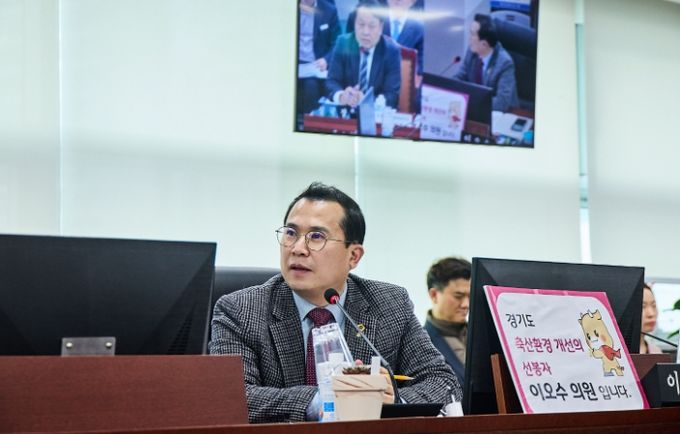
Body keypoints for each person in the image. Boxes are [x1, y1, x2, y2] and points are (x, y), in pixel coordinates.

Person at [210, 182, 459, 423]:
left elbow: (444, 383)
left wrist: (393, 401)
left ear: (354, 256)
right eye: (291, 233)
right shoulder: (240, 310)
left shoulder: (389, 304)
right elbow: (230, 397)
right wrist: (323, 400)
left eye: (316, 236)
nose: (298, 248)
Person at [326, 0, 401, 109]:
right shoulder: (343, 43)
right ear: (354, 24)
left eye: (372, 26)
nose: (365, 32)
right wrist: (341, 96)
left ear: (380, 27)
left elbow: (392, 95)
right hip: (346, 111)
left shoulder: (391, 51)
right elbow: (332, 81)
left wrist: (367, 101)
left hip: (375, 114)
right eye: (361, 24)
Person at [453, 13, 519, 112]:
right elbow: (458, 78)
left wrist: (469, 102)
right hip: (479, 110)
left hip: (505, 114)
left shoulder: (505, 63)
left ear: (484, 44)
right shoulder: (471, 52)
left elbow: (501, 103)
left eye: (472, 34)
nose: (469, 38)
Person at [423, 257, 471, 384]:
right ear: (434, 295)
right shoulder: (418, 343)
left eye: (470, 296)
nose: (466, 304)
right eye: (458, 296)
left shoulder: (482, 337)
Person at [297, 0, 341, 115]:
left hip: (315, 66)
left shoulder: (329, 10)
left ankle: (308, 122)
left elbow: (337, 42)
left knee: (311, 87)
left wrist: (326, 59)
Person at [640, 283, 662, 354]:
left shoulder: (656, 352)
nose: (651, 314)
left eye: (654, 305)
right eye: (643, 306)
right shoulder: (616, 353)